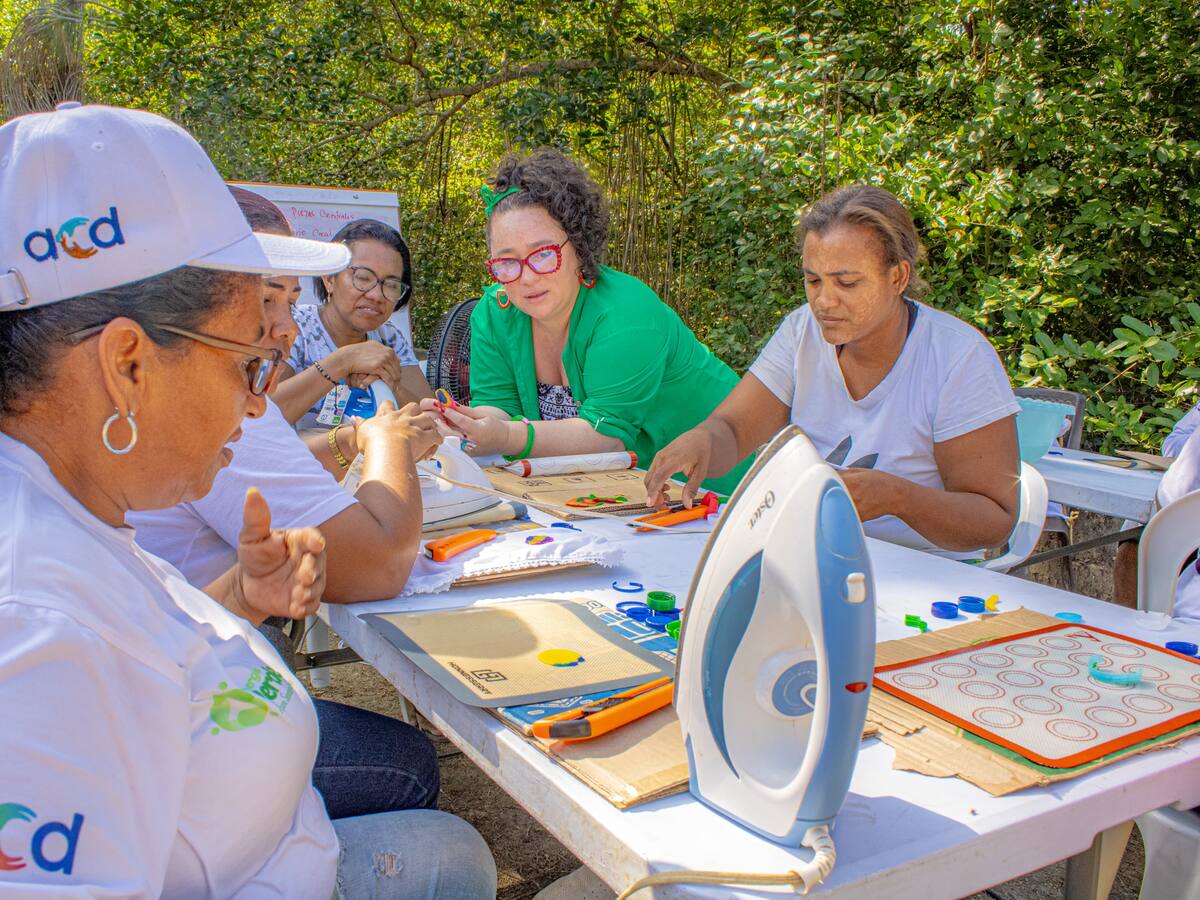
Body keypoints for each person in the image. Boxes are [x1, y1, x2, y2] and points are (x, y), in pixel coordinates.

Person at [0, 102, 495, 898]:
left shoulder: (72, 505)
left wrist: (237, 596)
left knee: (453, 852)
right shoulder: (34, 629)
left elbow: (140, 651)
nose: (261, 403)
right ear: (128, 365)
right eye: (247, 365)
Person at [129, 187, 448, 823]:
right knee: (412, 769)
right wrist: (387, 440)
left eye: (287, 299)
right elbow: (378, 563)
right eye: (265, 299)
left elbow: (276, 457)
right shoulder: (216, 390)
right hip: (167, 725)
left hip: (169, 674)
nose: (286, 325)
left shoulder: (199, 378)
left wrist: (356, 438)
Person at [646, 184, 1021, 553]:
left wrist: (896, 497)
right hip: (812, 555)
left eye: (847, 283)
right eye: (813, 280)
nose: (824, 301)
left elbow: (994, 521)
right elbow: (732, 430)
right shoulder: (802, 331)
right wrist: (702, 442)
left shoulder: (958, 357)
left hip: (929, 573)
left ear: (898, 278)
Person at [423, 149, 753, 494]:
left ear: (579, 247)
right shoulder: (495, 312)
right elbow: (499, 406)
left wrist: (505, 437)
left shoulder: (626, 312)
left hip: (722, 491)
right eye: (507, 262)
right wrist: (462, 426)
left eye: (543, 255)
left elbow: (607, 437)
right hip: (621, 495)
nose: (527, 277)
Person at [274, 218, 433, 430]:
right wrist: (343, 362)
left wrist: (393, 386)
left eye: (391, 285)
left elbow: (431, 420)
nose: (376, 295)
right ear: (329, 278)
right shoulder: (295, 327)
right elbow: (263, 417)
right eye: (363, 277)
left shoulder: (388, 337)